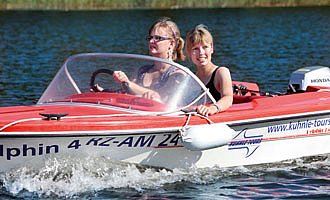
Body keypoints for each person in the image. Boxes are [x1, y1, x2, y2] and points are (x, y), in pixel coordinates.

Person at [94, 17, 185, 102]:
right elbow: (126, 93)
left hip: (163, 116)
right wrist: (104, 92)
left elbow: (159, 97)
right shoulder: (142, 71)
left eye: (157, 38)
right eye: (150, 38)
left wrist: (127, 82)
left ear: (172, 43)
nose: (151, 41)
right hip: (137, 113)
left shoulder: (178, 74)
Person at [186, 24, 233, 116]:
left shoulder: (221, 72)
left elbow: (228, 98)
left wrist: (213, 108)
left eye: (205, 47)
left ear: (211, 48)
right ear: (189, 52)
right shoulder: (191, 79)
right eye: (195, 48)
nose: (201, 53)